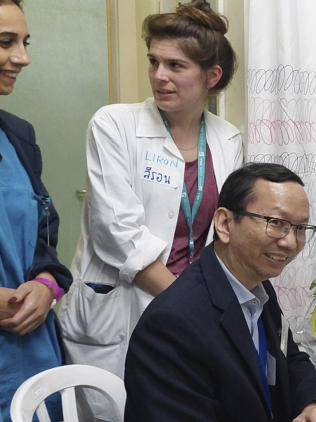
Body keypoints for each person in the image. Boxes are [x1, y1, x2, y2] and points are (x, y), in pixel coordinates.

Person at [124, 163, 316, 422]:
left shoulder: (255, 286)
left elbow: (289, 360)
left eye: (301, 228)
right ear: (225, 223)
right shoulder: (170, 326)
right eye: (276, 223)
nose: (291, 242)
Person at [58, 0, 243, 382]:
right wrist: (189, 306)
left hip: (190, 311)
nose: (159, 76)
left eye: (176, 65)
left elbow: (223, 233)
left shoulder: (228, 139)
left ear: (212, 76)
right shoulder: (114, 124)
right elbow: (117, 232)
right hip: (123, 312)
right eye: (153, 61)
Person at [0, 0, 74, 422]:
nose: (22, 57)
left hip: (30, 355)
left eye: (24, 42)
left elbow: (45, 236)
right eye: (5, 42)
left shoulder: (19, 136)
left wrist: (47, 286)